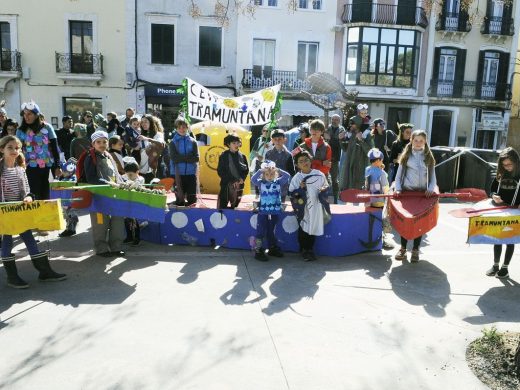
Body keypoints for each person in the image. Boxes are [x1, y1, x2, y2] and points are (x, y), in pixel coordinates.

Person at [0, 135, 66, 288]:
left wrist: (28, 197)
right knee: (7, 241)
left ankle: (44, 272)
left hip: (20, 211)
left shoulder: (20, 168)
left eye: (17, 148)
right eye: (10, 147)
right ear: (2, 149)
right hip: (5, 212)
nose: (14, 151)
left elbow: (26, 190)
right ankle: (12, 277)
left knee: (29, 238)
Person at [394, 129, 437, 263]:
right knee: (405, 221)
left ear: (425, 142)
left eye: (421, 141)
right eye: (416, 140)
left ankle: (416, 249)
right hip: (407, 193)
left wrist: (430, 188)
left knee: (419, 223)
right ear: (411, 141)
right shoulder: (406, 155)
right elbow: (399, 175)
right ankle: (402, 248)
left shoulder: (428, 156)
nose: (418, 143)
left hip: (422, 195)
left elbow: (432, 176)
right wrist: (398, 189)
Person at [84, 130, 125, 257]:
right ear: (93, 144)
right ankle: (101, 248)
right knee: (100, 223)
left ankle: (116, 247)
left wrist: (124, 182)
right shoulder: (90, 157)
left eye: (104, 142)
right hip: (99, 195)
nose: (102, 144)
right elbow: (91, 178)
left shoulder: (109, 156)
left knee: (118, 220)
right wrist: (109, 184)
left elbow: (116, 174)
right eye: (98, 142)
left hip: (114, 194)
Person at [485, 147, 520, 278]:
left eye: (510, 164)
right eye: (504, 165)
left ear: (516, 162)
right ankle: (495, 265)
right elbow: (492, 189)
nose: (507, 167)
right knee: (497, 238)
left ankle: (505, 268)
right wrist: (494, 196)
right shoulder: (501, 174)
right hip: (500, 210)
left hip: (515, 211)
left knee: (510, 239)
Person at [16, 101, 62, 200]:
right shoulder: (20, 130)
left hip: (47, 167)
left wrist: (57, 166)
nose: (26, 117)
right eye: (24, 114)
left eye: (29, 114)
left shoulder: (47, 127)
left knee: (46, 193)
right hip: (29, 167)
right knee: (33, 193)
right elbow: (18, 150)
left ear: (36, 115)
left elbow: (55, 148)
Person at [289, 150, 329, 261]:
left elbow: (326, 186)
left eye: (306, 160)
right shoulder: (297, 178)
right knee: (303, 228)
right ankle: (304, 249)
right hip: (304, 209)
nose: (304, 163)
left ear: (310, 160)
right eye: (301, 161)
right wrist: (300, 189)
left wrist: (323, 190)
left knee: (313, 227)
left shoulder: (319, 174)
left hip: (316, 206)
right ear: (297, 165)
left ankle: (310, 249)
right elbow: (292, 194)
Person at [251, 160, 291, 261]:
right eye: (267, 174)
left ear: (276, 174)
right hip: (263, 212)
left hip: (274, 211)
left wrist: (278, 169)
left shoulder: (278, 182)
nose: (269, 176)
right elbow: (253, 179)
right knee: (261, 230)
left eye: (272, 174)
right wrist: (260, 170)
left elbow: (287, 176)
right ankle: (258, 250)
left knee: (271, 231)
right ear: (263, 175)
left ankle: (272, 247)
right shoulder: (261, 183)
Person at [169, 116, 199, 206]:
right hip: (177, 173)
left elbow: (196, 158)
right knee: (180, 200)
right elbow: (174, 158)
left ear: (187, 127)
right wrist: (188, 157)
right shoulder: (172, 142)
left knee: (192, 200)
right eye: (179, 127)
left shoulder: (193, 142)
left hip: (191, 173)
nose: (182, 129)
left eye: (184, 127)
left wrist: (181, 157)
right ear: (176, 129)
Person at [340, 115, 373, 190]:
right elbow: (345, 149)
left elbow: (370, 152)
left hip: (360, 166)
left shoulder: (367, 135)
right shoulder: (351, 134)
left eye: (353, 123)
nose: (350, 125)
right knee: (348, 185)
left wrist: (361, 140)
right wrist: (341, 140)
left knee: (358, 187)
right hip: (349, 164)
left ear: (358, 124)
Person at [217, 133, 249, 209]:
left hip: (239, 186)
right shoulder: (224, 155)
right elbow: (220, 171)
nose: (236, 145)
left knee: (235, 206)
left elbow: (246, 170)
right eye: (234, 143)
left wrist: (242, 178)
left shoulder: (242, 156)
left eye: (238, 143)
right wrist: (232, 180)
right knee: (222, 206)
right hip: (226, 185)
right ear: (228, 144)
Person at [324, 114, 346, 203]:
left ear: (339, 121)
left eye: (336, 119)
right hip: (325, 157)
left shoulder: (341, 129)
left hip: (335, 158)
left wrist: (330, 139)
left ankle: (335, 198)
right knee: (323, 177)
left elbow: (340, 140)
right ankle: (324, 197)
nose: (334, 121)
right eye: (333, 119)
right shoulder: (326, 128)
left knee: (334, 179)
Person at [122, 159, 144, 246]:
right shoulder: (123, 177)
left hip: (136, 202)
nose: (129, 176)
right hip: (126, 202)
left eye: (131, 174)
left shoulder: (140, 179)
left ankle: (137, 237)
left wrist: (131, 183)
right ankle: (129, 236)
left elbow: (138, 186)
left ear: (137, 172)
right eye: (128, 174)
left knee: (135, 221)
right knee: (126, 220)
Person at [58, 158, 79, 238]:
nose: (62, 173)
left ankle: (70, 229)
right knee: (68, 215)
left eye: (64, 172)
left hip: (69, 201)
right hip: (66, 201)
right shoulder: (66, 178)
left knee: (69, 215)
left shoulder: (72, 179)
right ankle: (70, 228)